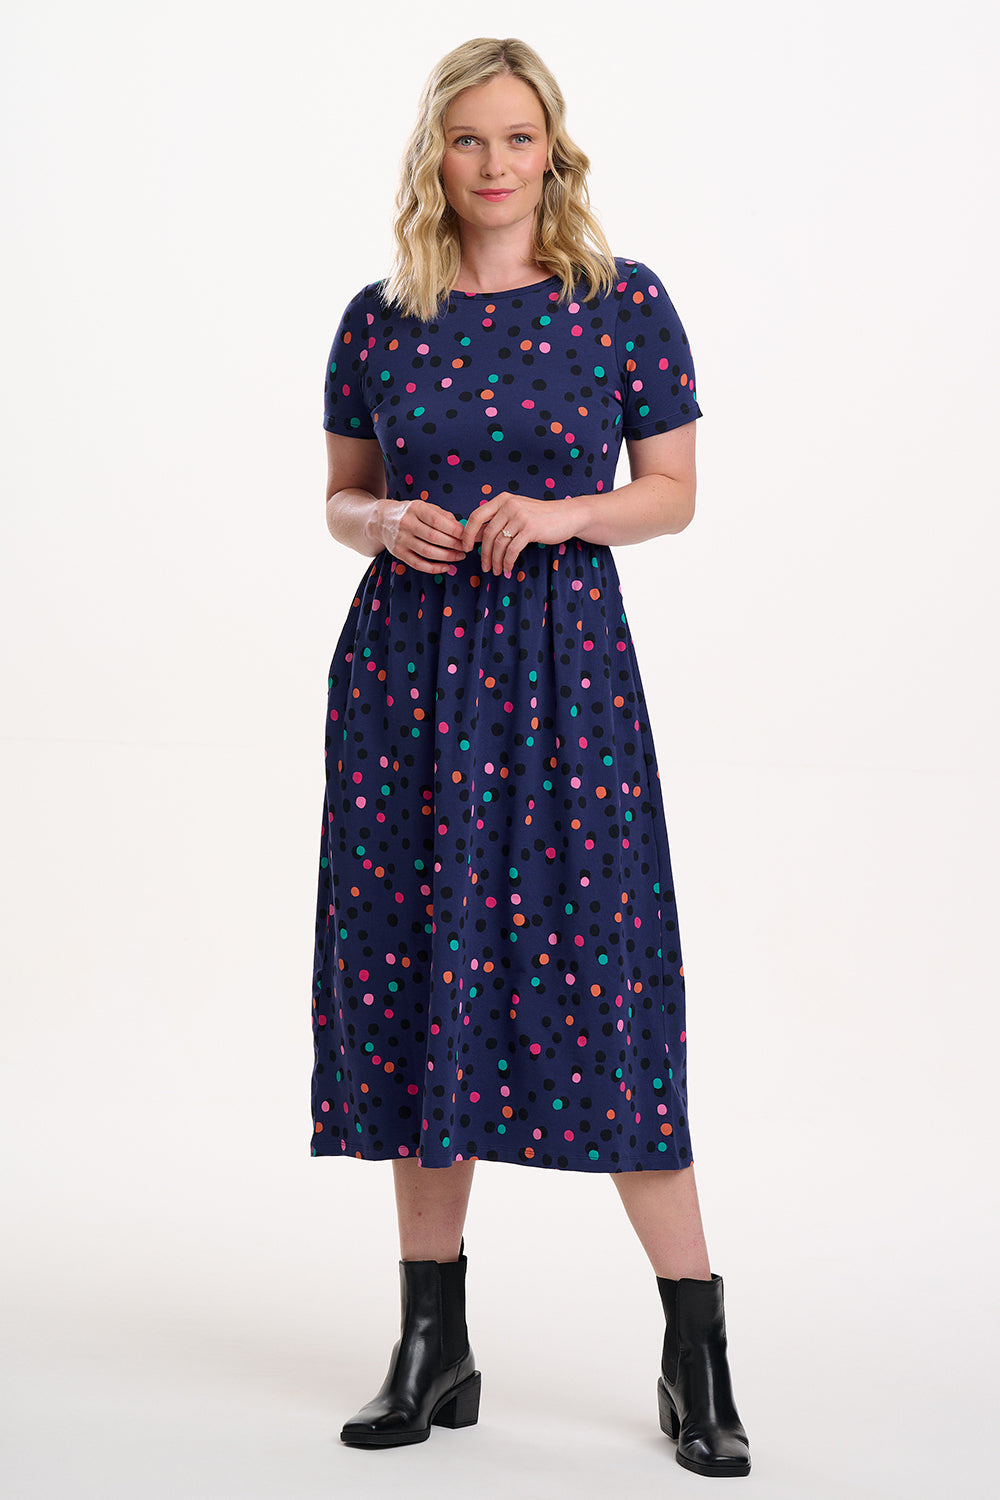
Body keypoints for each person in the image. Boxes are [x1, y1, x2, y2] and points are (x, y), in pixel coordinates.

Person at [310, 35, 751, 1479]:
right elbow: (340, 498)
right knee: (415, 975)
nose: (495, 166)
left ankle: (696, 1352)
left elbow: (671, 494)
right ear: (432, 158)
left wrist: (558, 515)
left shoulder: (622, 305)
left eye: (519, 139)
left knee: (605, 986)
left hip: (566, 682)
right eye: (467, 140)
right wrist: (388, 526)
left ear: (553, 152)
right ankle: (431, 1341)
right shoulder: (382, 319)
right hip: (409, 684)